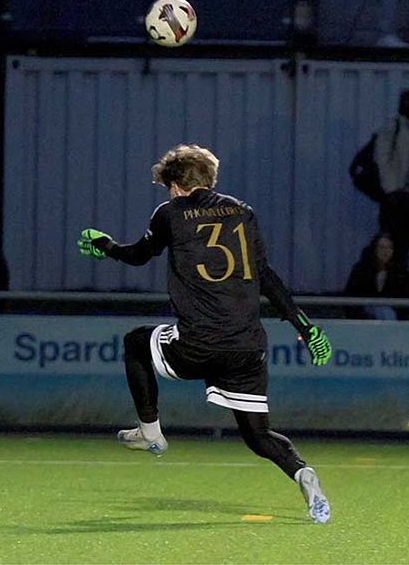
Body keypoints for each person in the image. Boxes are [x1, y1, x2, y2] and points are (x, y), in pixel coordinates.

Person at [76, 144, 334, 524]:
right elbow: (266, 277)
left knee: (135, 342)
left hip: (198, 343)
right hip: (247, 347)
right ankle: (303, 475)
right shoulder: (243, 212)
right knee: (258, 436)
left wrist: (107, 247)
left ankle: (150, 432)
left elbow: (140, 255)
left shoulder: (170, 213)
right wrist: (305, 327)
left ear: (175, 185)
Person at [374, 87, 409, 267]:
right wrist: (390, 190)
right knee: (388, 244)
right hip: (395, 196)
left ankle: (399, 277)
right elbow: (381, 158)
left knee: (406, 245)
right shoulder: (393, 127)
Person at [344, 232, 409, 320]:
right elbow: (351, 298)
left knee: (385, 312)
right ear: (374, 249)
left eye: (389, 248)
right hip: (363, 318)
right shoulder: (360, 270)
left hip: (392, 318)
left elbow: (405, 302)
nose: (385, 251)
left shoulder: (400, 273)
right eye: (382, 247)